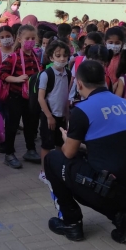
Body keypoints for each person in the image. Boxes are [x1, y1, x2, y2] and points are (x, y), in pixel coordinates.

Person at [43, 60, 126, 244]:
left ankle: (71, 223)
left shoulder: (82, 109)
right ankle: (122, 217)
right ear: (105, 80)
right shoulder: (124, 103)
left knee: (53, 159)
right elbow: (111, 146)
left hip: (110, 190)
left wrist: (67, 140)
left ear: (79, 83)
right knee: (87, 162)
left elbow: (67, 153)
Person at [0, 24, 41, 169]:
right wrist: (16, 79)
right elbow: (1, 74)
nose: (30, 41)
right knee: (12, 125)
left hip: (31, 97)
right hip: (15, 97)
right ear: (19, 39)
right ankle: (9, 154)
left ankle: (30, 150)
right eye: (27, 38)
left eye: (33, 38)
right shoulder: (13, 57)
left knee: (30, 124)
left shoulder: (36, 56)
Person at [38, 40, 72, 178]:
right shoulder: (47, 74)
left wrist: (66, 113)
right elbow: (41, 98)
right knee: (47, 145)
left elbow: (65, 95)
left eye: (65, 55)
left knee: (60, 143)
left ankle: (58, 169)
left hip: (61, 115)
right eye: (58, 56)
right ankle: (44, 172)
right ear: (51, 57)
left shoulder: (68, 74)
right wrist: (49, 116)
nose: (62, 58)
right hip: (49, 115)